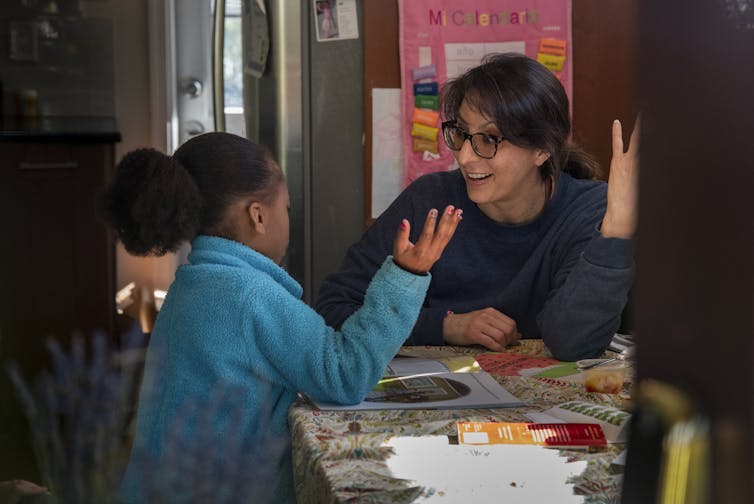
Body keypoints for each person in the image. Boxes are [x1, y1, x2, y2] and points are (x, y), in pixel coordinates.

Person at [100, 132, 462, 503]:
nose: (288, 218)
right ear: (257, 216)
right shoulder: (249, 294)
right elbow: (345, 372)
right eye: (286, 208)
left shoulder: (191, 285)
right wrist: (407, 275)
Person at [315, 53, 639, 362]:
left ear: (542, 149)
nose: (466, 158)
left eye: (490, 139)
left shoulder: (588, 210)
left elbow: (573, 342)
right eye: (462, 134)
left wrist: (616, 234)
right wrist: (446, 325)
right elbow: (335, 307)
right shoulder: (428, 201)